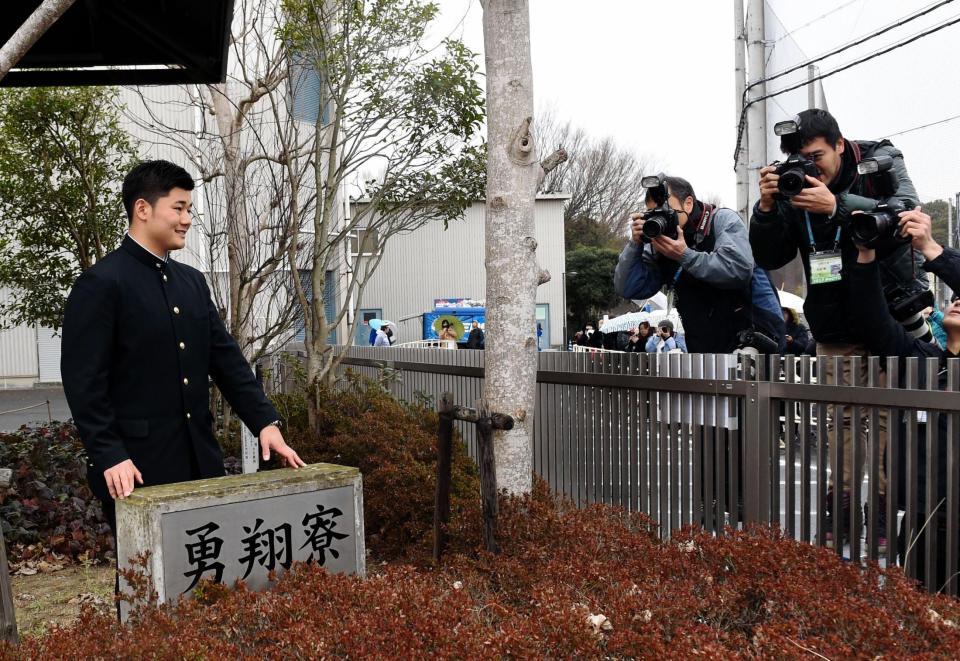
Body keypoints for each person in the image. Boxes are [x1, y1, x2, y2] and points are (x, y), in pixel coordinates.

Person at [61, 160, 306, 541]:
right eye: (178, 207)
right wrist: (109, 454)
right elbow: (84, 382)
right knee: (146, 581)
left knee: (210, 568)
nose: (187, 219)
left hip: (200, 456)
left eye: (189, 209)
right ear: (143, 209)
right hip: (135, 466)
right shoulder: (102, 283)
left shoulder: (191, 282)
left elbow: (225, 360)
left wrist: (265, 423)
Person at [749, 108, 928, 547]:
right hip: (834, 320)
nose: (812, 169)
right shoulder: (793, 184)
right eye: (801, 159)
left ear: (840, 145)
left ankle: (884, 509)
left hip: (890, 315)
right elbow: (770, 257)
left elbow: (906, 213)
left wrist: (839, 205)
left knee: (887, 419)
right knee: (840, 420)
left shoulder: (881, 159)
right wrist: (768, 207)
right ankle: (843, 505)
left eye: (817, 157)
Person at [847, 206, 959, 589]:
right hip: (920, 517)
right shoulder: (926, 363)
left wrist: (929, 247)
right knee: (921, 624)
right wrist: (866, 252)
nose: (956, 300)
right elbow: (872, 320)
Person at [614, 175, 785, 354]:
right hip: (703, 347)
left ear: (688, 203)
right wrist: (636, 244)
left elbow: (738, 271)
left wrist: (684, 255)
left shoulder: (721, 221)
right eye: (653, 213)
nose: (660, 218)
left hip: (753, 342)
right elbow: (628, 288)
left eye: (665, 210)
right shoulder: (659, 243)